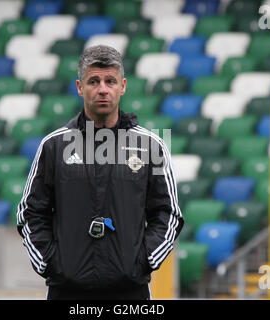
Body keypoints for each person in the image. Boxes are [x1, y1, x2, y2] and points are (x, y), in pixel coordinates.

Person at [16, 45, 183, 300]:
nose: (102, 89)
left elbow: (168, 213)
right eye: (94, 81)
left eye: (110, 81)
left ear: (123, 86)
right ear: (80, 87)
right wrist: (51, 264)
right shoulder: (53, 146)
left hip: (130, 293)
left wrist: (142, 262)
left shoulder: (151, 147)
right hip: (66, 291)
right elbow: (30, 213)